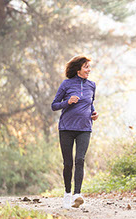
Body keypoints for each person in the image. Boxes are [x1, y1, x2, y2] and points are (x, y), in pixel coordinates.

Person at [51, 55, 99, 209]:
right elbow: (54, 105)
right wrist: (68, 102)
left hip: (84, 128)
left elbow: (90, 104)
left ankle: (77, 195)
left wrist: (94, 113)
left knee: (80, 159)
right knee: (68, 163)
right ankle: (67, 194)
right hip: (66, 128)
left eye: (89, 67)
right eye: (86, 67)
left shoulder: (92, 85)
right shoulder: (66, 84)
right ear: (78, 70)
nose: (89, 70)